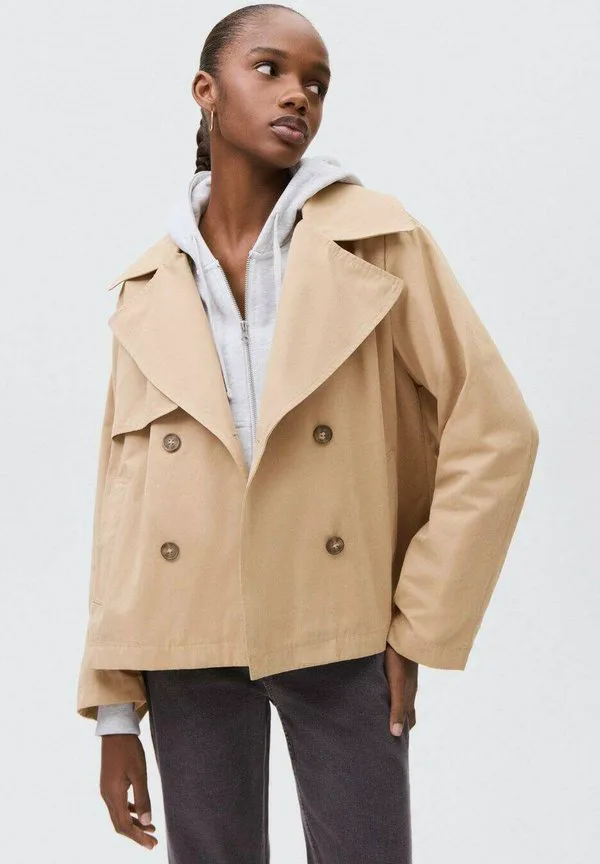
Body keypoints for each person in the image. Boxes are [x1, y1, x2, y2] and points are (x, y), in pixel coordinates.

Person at [76, 4, 539, 861]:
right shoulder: (147, 289)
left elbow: (496, 432)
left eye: (316, 84)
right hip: (185, 640)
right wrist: (113, 711)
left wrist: (417, 626)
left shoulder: (377, 242)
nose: (298, 95)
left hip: (340, 631)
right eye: (271, 70)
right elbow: (124, 512)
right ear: (206, 90)